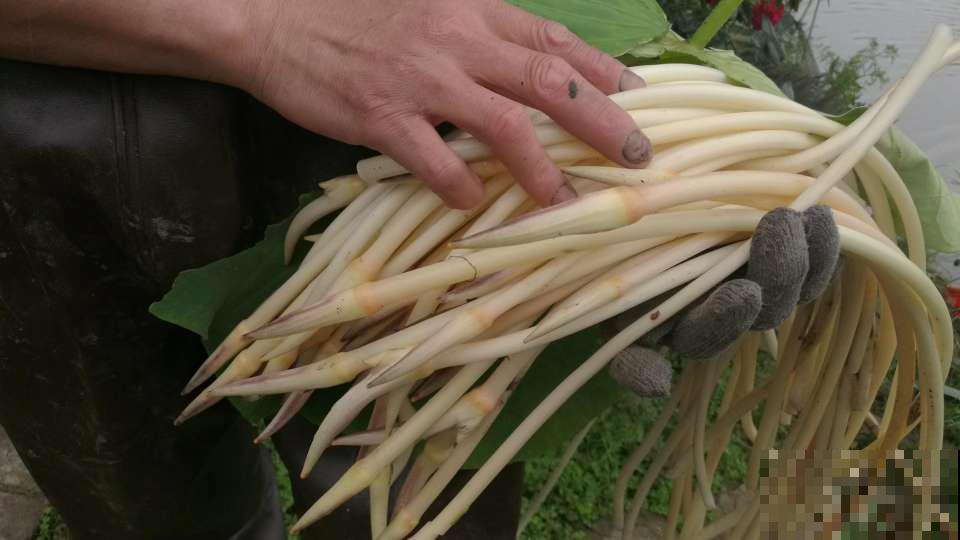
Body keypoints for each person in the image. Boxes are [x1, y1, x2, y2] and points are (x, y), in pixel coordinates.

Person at [0, 1, 654, 538]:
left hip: (407, 87)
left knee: (409, 493)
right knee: (150, 507)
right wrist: (266, 27)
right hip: (42, 158)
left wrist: (678, 202)